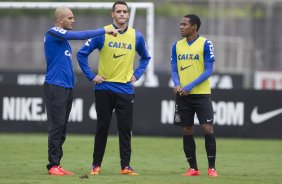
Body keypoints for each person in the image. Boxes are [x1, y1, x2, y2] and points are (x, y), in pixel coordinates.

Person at [77, 0, 151, 176]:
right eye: (119, 11)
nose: (122, 14)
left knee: (125, 130)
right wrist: (92, 76)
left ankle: (125, 166)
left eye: (125, 11)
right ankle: (96, 165)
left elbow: (145, 57)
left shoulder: (136, 36)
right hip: (104, 89)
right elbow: (81, 54)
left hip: (125, 90)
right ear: (113, 14)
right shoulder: (102, 33)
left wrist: (138, 74)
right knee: (102, 127)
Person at [43, 6, 119, 176]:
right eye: (70, 18)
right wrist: (104, 31)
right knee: (57, 126)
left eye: (73, 18)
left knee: (62, 127)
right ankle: (53, 165)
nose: (73, 20)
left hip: (66, 87)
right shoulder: (53, 32)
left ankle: (57, 163)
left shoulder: (62, 41)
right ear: (60, 19)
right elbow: (80, 35)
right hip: (55, 86)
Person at [171, 14, 218, 177]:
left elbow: (208, 71)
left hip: (201, 94)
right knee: (187, 129)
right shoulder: (176, 46)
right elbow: (174, 69)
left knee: (207, 128)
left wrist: (189, 86)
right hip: (183, 96)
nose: (181, 27)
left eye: (184, 24)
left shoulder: (206, 44)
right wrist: (177, 84)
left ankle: (211, 168)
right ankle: (193, 168)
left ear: (194, 27)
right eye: (180, 24)